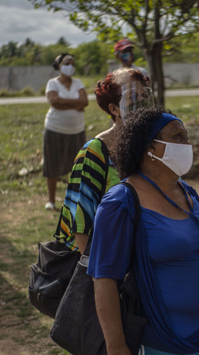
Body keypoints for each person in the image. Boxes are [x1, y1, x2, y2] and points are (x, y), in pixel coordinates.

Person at [89, 106, 199, 355]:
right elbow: (104, 279)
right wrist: (116, 348)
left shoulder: (187, 191)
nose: (187, 143)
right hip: (153, 346)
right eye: (177, 137)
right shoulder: (120, 202)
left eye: (186, 136)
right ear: (150, 148)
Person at [53, 68, 154, 252]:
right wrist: (97, 275)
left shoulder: (154, 143)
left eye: (144, 94)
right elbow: (81, 226)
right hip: (110, 259)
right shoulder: (96, 151)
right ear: (114, 109)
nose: (142, 102)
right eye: (132, 97)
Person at [43, 53, 88, 210]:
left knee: (79, 166)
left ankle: (76, 199)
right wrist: (76, 104)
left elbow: (85, 101)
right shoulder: (52, 83)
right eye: (67, 63)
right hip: (54, 129)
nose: (70, 66)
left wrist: (65, 102)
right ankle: (51, 200)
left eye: (73, 63)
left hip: (77, 131)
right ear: (59, 65)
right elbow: (54, 101)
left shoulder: (78, 82)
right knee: (52, 165)